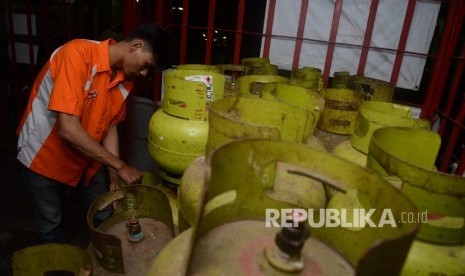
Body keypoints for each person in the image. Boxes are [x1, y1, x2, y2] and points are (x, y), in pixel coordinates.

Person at [16, 24, 173, 243]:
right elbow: (68, 128)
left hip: (86, 156)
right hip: (43, 154)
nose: (144, 73)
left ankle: (103, 258)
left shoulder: (125, 80)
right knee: (50, 224)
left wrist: (113, 175)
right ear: (136, 46)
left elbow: (110, 128)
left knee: (105, 211)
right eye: (147, 65)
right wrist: (119, 165)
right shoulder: (76, 55)